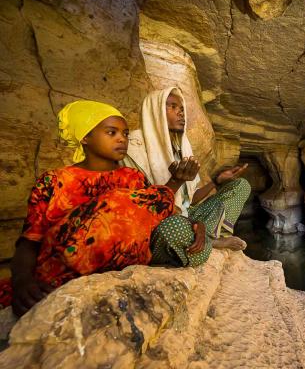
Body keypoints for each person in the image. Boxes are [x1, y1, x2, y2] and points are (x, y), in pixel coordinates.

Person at [0, 100, 196, 316]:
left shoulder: (132, 177)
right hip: (60, 268)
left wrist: (192, 220)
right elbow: (30, 240)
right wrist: (23, 282)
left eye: (125, 133)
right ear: (85, 137)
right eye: (111, 132)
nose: (122, 138)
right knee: (117, 202)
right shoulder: (54, 181)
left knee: (134, 207)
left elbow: (153, 214)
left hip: (120, 268)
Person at [123, 87, 251, 267]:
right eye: (172, 107)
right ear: (155, 110)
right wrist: (193, 221)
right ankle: (210, 242)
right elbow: (143, 211)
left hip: (187, 216)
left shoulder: (181, 147)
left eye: (181, 108)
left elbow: (189, 201)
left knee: (241, 185)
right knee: (175, 229)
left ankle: (204, 237)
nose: (181, 113)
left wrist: (216, 181)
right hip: (159, 227)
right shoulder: (134, 151)